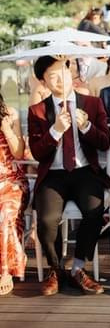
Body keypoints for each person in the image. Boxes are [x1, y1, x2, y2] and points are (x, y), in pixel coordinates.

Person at [27, 56, 110, 296]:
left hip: (84, 171)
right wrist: (55, 131)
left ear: (70, 72)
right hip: (54, 174)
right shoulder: (38, 111)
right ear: (43, 81)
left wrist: (86, 127)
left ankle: (77, 268)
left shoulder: (92, 104)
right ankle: (56, 269)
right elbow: (37, 152)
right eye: (51, 76)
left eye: (62, 72)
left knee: (95, 211)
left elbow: (104, 143)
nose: (59, 79)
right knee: (46, 220)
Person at [0, 93, 29, 296]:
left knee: (4, 211)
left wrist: (5, 127)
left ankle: (6, 269)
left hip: (11, 179)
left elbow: (19, 153)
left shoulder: (10, 113)